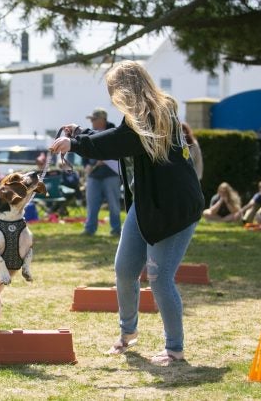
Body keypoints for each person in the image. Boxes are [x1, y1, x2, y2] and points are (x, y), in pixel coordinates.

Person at [48, 60, 204, 365]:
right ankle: (128, 332)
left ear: (125, 89)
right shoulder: (135, 118)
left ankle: (175, 349)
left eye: (112, 91)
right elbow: (115, 138)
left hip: (175, 210)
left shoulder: (157, 113)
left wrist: (75, 143)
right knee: (124, 269)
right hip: (147, 204)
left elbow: (118, 142)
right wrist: (80, 134)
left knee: (160, 279)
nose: (111, 98)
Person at [82, 107, 122, 237]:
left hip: (111, 175)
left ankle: (116, 230)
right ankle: (89, 229)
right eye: (91, 119)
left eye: (94, 119)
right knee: (92, 204)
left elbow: (121, 152)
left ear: (102, 120)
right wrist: (86, 165)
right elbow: (84, 151)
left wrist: (106, 159)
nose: (92, 122)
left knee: (114, 205)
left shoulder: (114, 133)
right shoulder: (89, 133)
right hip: (94, 176)